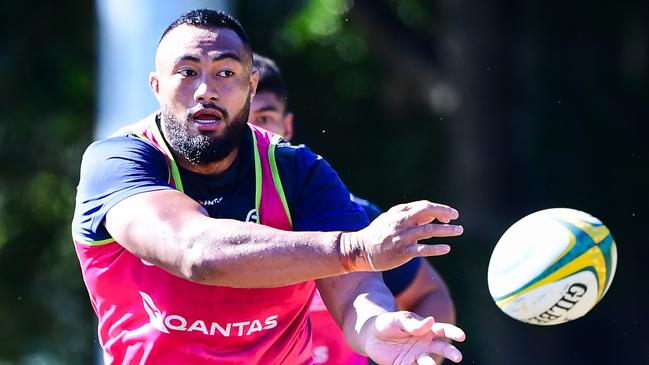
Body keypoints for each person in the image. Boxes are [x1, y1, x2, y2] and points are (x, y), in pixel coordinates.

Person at [72, 9, 466, 365]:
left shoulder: (299, 171)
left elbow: (355, 291)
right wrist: (354, 247)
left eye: (226, 73)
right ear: (156, 86)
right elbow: (195, 253)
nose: (206, 90)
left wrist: (372, 326)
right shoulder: (117, 163)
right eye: (188, 72)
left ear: (251, 84)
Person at [249, 54, 456, 365]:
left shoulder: (352, 219)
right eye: (243, 120)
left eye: (264, 118)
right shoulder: (195, 224)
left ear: (287, 126)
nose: (255, 134)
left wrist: (417, 356)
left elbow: (429, 295)